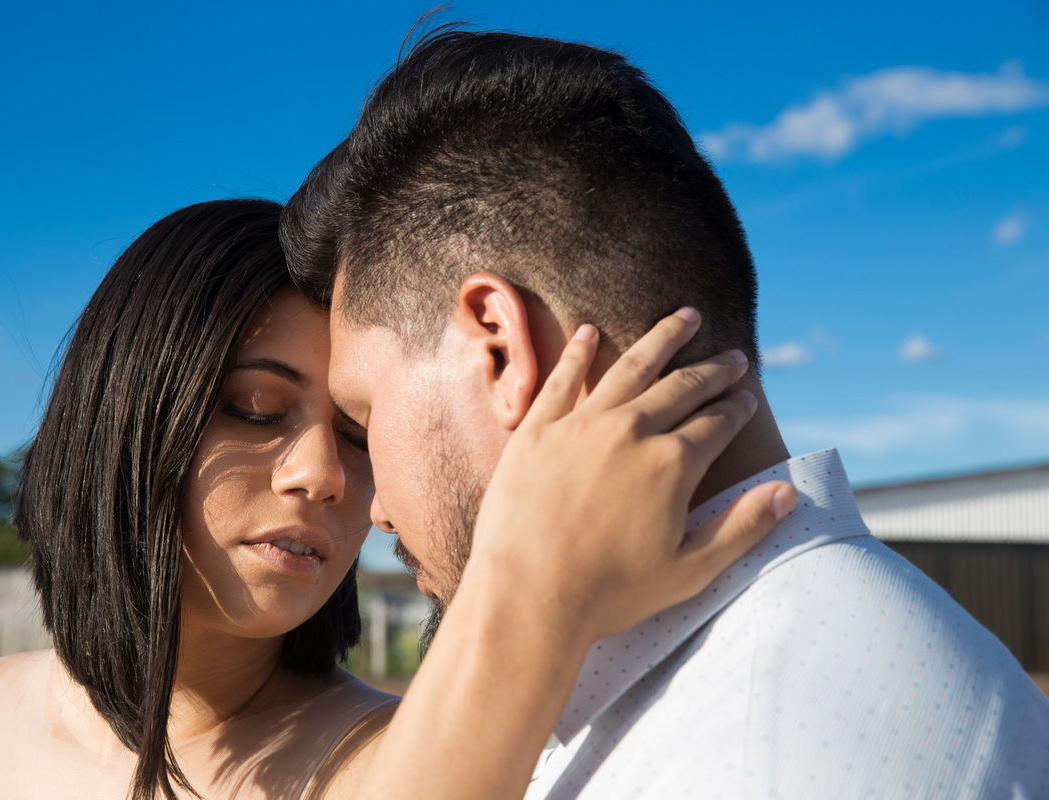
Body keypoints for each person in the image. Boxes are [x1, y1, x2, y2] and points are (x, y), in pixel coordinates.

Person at [280, 29, 1049, 798]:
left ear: (501, 351)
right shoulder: (828, 663)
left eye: (364, 416)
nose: (377, 508)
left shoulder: (753, 760)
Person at [0, 198, 786, 799]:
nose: (324, 474)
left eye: (358, 434)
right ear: (121, 417)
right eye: (255, 407)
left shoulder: (402, 761)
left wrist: (539, 575)